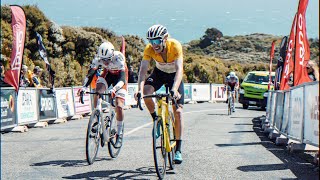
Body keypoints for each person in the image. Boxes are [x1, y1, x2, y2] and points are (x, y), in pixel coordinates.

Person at [135, 24, 184, 164]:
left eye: (156, 41)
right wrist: (139, 89)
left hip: (175, 76)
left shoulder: (175, 46)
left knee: (178, 112)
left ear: (165, 38)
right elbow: (143, 71)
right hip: (160, 74)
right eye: (151, 41)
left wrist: (174, 88)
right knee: (146, 92)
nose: (153, 44)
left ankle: (179, 149)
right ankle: (156, 119)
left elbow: (180, 69)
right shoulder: (149, 49)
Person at [78, 41, 128, 148]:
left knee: (119, 105)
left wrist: (114, 89)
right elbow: (90, 74)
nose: (105, 62)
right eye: (103, 60)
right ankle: (96, 116)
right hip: (108, 74)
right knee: (97, 91)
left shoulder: (119, 58)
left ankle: (119, 134)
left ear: (112, 55)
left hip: (120, 78)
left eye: (107, 60)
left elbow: (123, 79)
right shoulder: (98, 58)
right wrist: (83, 87)